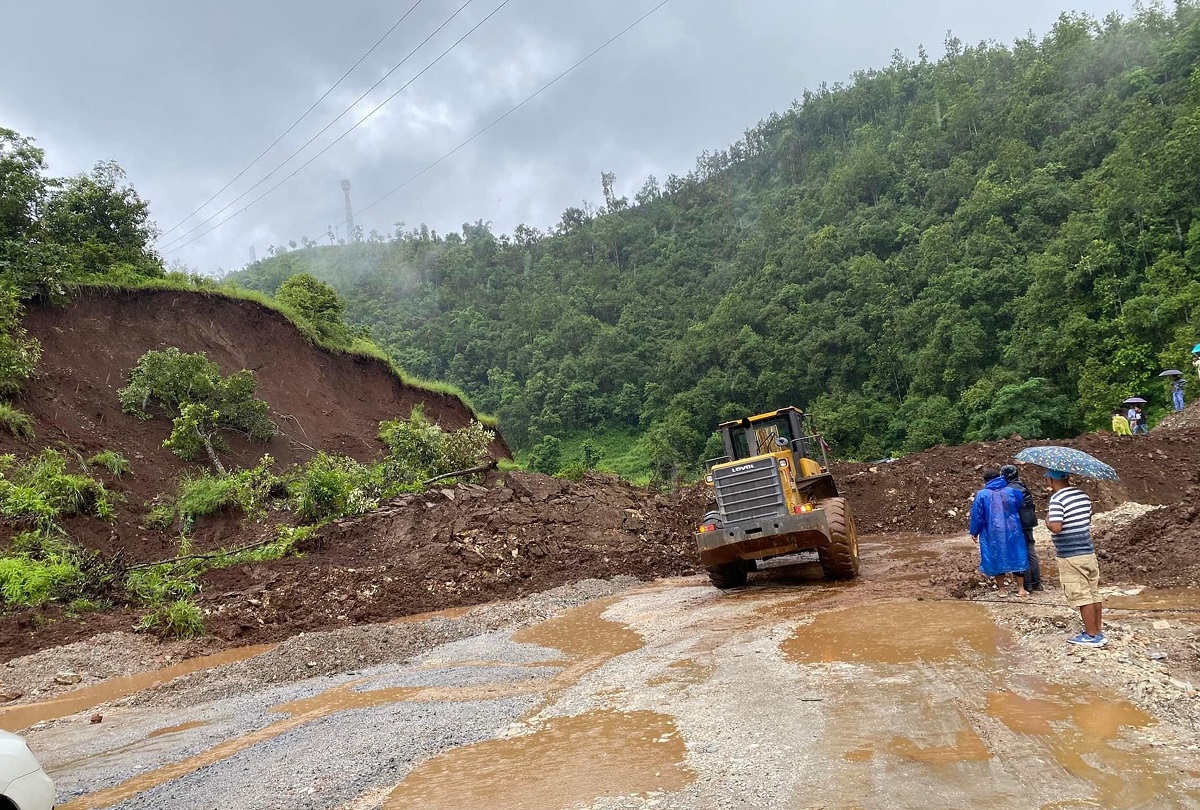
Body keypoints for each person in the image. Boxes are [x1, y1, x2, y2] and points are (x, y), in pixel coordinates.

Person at [1045, 470, 1105, 647]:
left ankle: (1091, 635)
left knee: (1081, 596)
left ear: (1050, 480)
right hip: (1088, 552)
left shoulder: (1057, 499)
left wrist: (1047, 520)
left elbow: (1056, 527)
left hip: (1071, 555)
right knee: (1093, 592)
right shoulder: (1083, 496)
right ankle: (1098, 631)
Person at [969, 468, 1029, 597]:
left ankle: (1002, 590)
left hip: (993, 531)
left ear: (986, 480)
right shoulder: (1013, 492)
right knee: (1017, 554)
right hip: (1013, 528)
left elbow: (977, 516)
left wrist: (974, 532)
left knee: (996, 557)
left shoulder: (982, 494)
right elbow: (1019, 504)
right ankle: (1021, 589)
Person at [1001, 464, 1042, 592]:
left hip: (1017, 525)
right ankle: (1037, 583)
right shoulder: (1023, 486)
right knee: (1031, 551)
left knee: (1020, 552)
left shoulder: (1008, 490)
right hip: (1029, 522)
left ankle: (1026, 584)